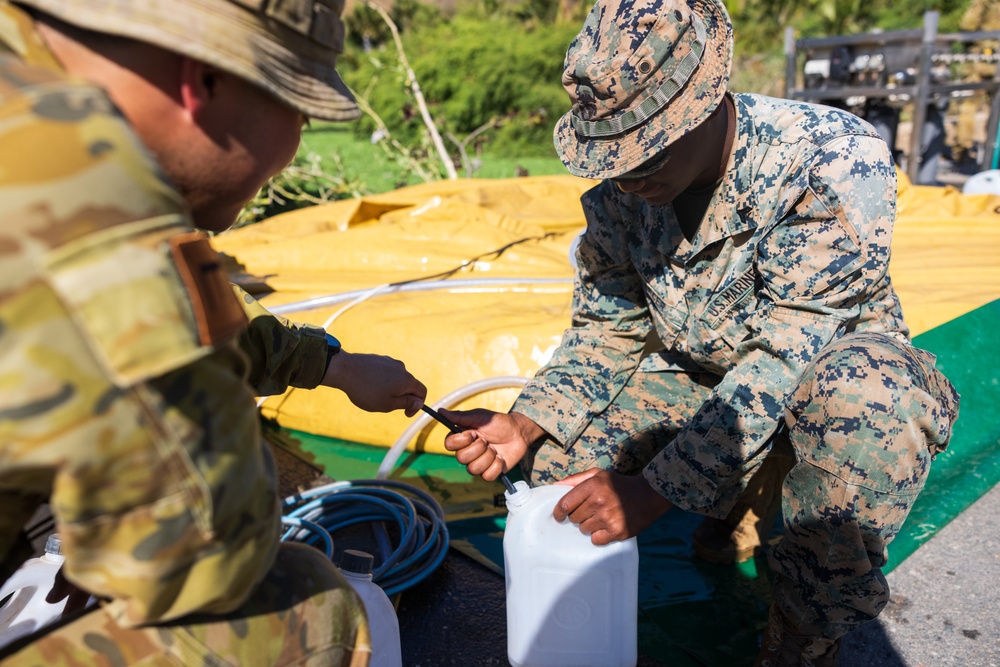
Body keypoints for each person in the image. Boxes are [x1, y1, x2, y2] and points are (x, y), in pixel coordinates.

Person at [441, 0, 960, 664]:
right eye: (614, 154)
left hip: (825, 382)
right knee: (556, 470)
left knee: (869, 398)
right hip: (703, 376)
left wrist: (654, 492)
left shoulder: (831, 160)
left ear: (707, 102)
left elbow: (786, 356)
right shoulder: (619, 198)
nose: (627, 174)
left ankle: (804, 627)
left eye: (646, 147)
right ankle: (740, 502)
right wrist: (528, 422)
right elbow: (606, 328)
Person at [0, 0, 426, 664]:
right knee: (310, 605)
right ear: (204, 79)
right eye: (301, 107)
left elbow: (180, 316)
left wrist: (331, 365)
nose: (292, 150)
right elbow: (204, 555)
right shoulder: (90, 201)